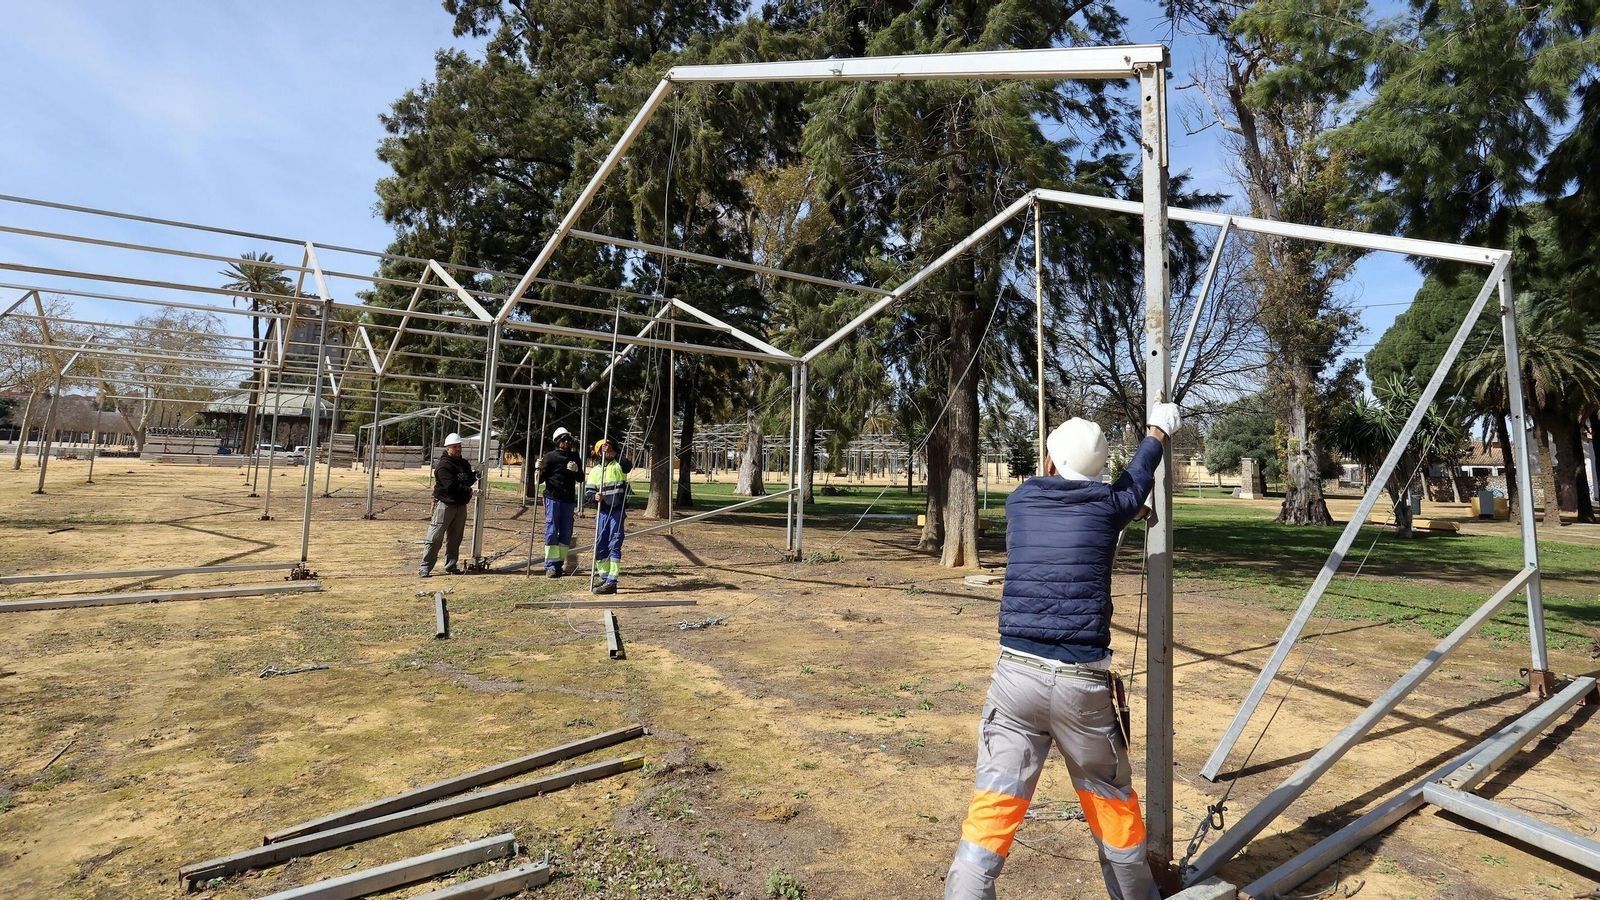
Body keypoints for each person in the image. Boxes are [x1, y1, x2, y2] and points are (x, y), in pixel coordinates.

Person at [945, 403, 1181, 900]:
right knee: (1112, 806)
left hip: (1015, 679)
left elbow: (1093, 501)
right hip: (1081, 685)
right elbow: (1135, 478)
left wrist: (1124, 507)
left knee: (994, 808)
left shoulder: (1021, 501)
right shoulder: (1108, 505)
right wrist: (1158, 428)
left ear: (1050, 464)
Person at [418, 432, 477, 577]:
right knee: (435, 537)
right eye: (455, 447)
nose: (458, 449)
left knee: (455, 538)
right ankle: (425, 567)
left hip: (460, 506)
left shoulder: (463, 463)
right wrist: (468, 491)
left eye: (459, 446)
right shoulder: (443, 466)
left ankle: (451, 565)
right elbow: (450, 486)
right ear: (447, 448)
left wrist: (475, 476)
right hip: (445, 505)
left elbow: (468, 479)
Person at [583, 437, 633, 595]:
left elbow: (628, 467)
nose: (607, 449)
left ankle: (612, 581)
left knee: (614, 543)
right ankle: (604, 577)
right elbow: (588, 493)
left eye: (610, 447)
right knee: (601, 544)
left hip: (616, 511)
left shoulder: (618, 464)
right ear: (599, 452)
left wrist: (615, 453)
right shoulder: (596, 471)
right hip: (602, 512)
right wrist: (594, 497)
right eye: (604, 448)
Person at [537, 426, 583, 578]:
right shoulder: (550, 457)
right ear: (558, 442)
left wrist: (576, 470)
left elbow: (581, 478)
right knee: (551, 530)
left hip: (568, 500)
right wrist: (539, 468)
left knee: (566, 533)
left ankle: (558, 564)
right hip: (553, 498)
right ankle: (550, 565)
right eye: (564, 439)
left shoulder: (575, 457)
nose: (567, 442)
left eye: (569, 439)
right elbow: (540, 479)